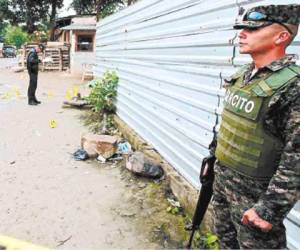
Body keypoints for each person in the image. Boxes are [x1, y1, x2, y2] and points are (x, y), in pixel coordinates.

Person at [209, 4, 300, 249]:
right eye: (242, 28)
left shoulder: (293, 86)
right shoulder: (244, 76)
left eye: (253, 29)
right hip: (223, 188)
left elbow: (297, 158)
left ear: (282, 36)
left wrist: (269, 210)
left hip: (255, 202)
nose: (242, 33)